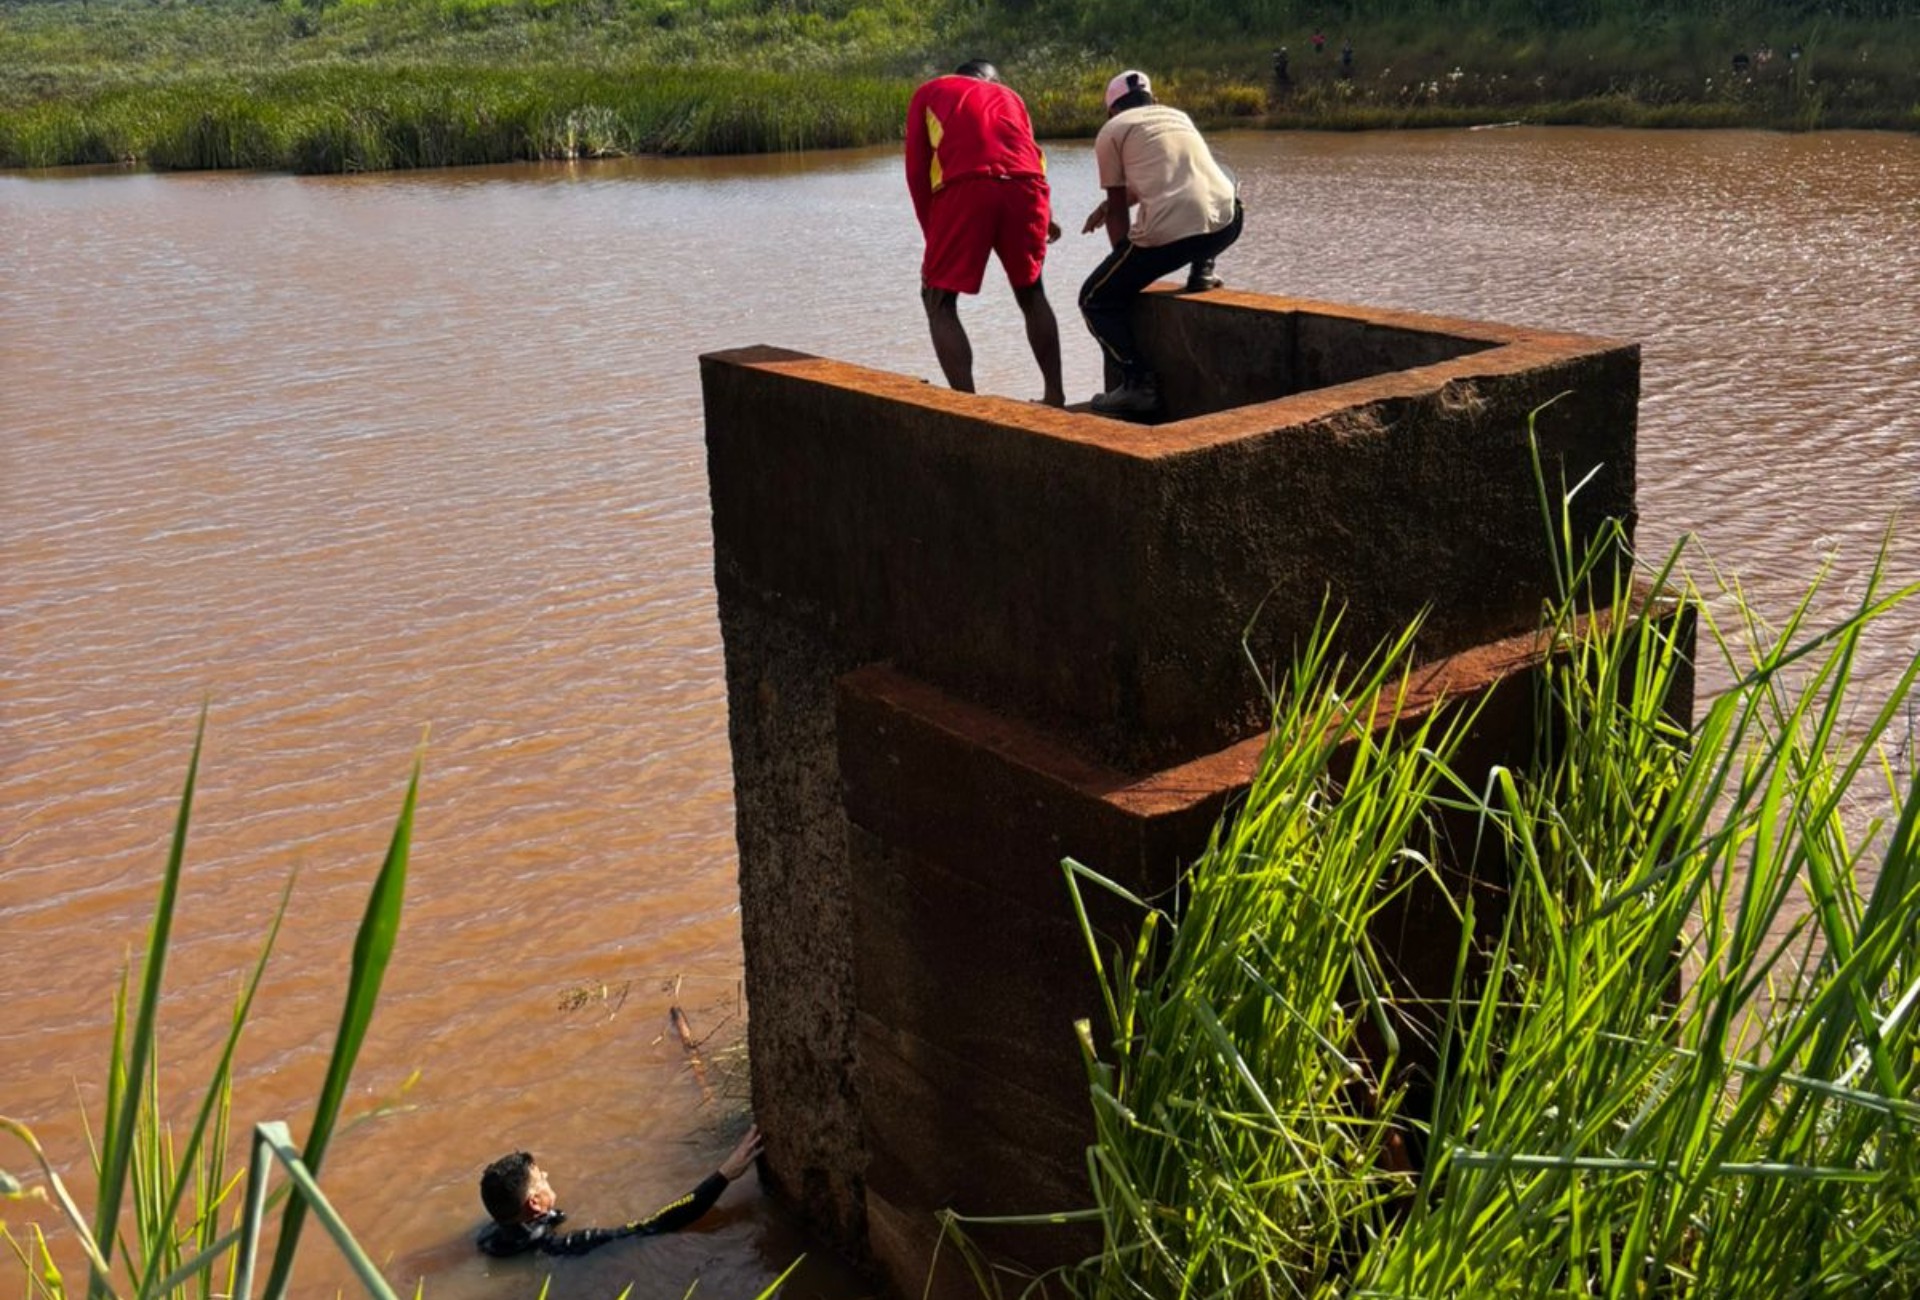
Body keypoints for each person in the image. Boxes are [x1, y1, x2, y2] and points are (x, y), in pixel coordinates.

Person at [1077, 70, 1244, 417]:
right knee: (1218, 182)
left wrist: (1122, 265)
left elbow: (1121, 203)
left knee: (1094, 299)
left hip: (1170, 237)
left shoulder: (1112, 130)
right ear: (1152, 100)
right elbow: (1175, 179)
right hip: (1228, 224)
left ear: (1111, 110)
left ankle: (1137, 384)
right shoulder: (1177, 117)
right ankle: (1203, 271)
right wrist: (1108, 208)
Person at [904, 59, 1067, 406]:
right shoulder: (1011, 97)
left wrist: (931, 236)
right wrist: (1046, 214)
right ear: (991, 79)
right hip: (1026, 189)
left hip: (967, 186)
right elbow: (1033, 157)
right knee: (1031, 291)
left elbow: (917, 171)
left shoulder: (930, 91)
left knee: (938, 299)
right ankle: (1055, 396)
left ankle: (968, 406)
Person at [476, 1123, 764, 1258]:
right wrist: (725, 1174)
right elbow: (657, 1224)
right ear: (536, 1203)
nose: (548, 1175)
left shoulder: (489, 1236)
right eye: (542, 1178)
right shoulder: (564, 1245)